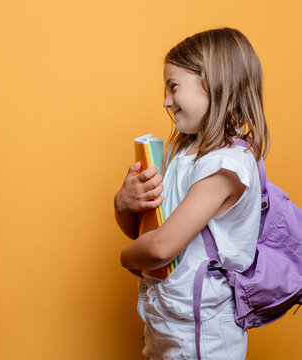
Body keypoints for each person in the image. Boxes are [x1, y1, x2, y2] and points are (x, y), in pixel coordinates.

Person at [114, 28, 269, 359]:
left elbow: (160, 247)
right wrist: (124, 204)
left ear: (213, 84)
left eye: (173, 87)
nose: (166, 101)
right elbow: (146, 231)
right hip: (168, 319)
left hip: (205, 333)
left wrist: (126, 258)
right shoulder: (180, 152)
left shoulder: (226, 165)